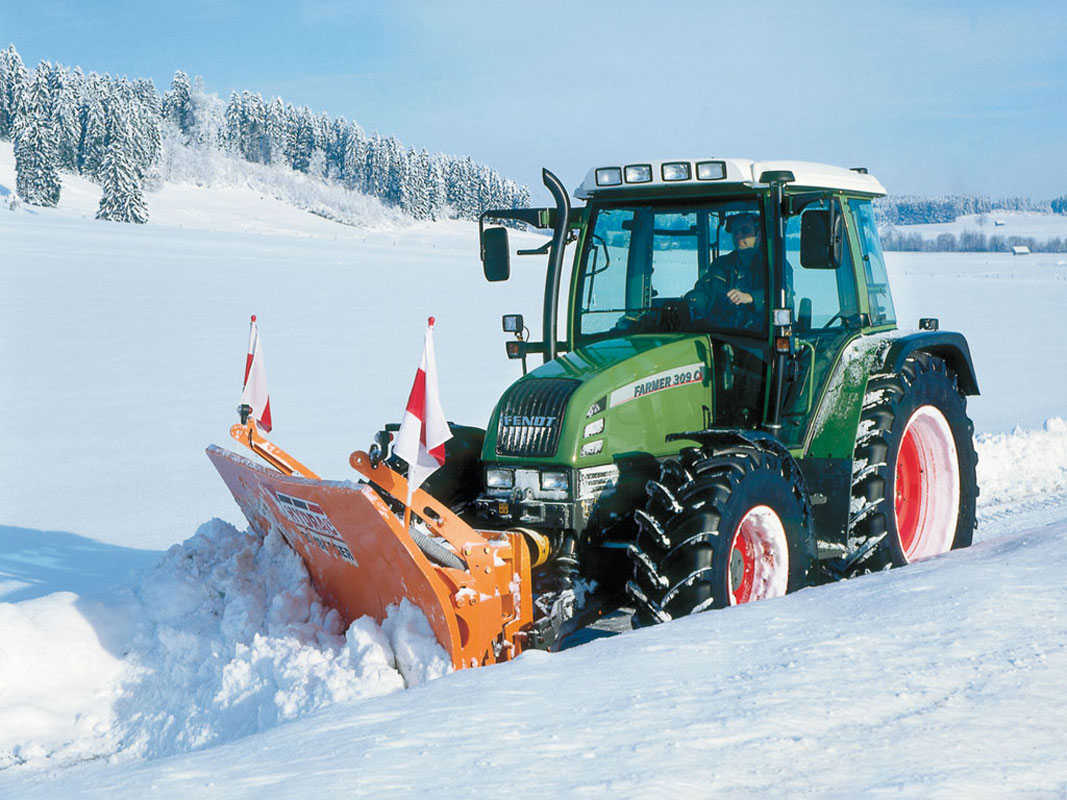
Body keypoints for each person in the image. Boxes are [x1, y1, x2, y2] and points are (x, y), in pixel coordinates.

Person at [684, 212, 766, 328]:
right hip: (724, 332)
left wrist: (751, 298)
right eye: (735, 231)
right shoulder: (721, 264)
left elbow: (783, 295)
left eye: (745, 231)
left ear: (759, 234)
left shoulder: (774, 265)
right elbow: (706, 290)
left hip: (760, 335)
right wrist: (693, 300)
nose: (738, 236)